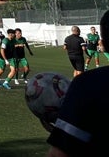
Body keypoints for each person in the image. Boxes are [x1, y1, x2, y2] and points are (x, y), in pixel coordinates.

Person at [46, 10, 109, 155]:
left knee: (78, 75)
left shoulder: (88, 84)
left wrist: (61, 128)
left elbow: (59, 153)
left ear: (103, 44)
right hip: (79, 58)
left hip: (73, 60)